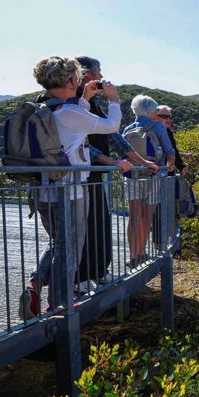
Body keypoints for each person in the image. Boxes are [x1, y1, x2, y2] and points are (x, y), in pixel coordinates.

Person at [20, 57, 122, 320]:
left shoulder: (43, 107)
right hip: (71, 190)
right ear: (70, 80)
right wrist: (113, 100)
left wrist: (85, 98)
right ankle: (59, 304)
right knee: (71, 248)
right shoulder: (69, 112)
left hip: (42, 190)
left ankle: (36, 285)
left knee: (59, 243)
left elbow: (72, 130)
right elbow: (111, 125)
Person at [72, 57, 158, 291]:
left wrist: (142, 162)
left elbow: (114, 137)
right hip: (84, 174)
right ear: (86, 73)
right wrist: (109, 160)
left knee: (99, 223)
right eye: (99, 72)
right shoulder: (74, 104)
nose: (102, 77)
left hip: (95, 175)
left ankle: (97, 272)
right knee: (83, 228)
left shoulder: (91, 103)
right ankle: (78, 278)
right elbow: (82, 143)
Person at [122, 95, 175, 268]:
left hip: (132, 175)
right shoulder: (158, 126)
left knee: (134, 215)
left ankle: (133, 255)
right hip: (154, 174)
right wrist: (169, 166)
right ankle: (142, 252)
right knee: (147, 215)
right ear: (151, 110)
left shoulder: (128, 128)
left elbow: (123, 152)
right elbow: (170, 151)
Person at [152, 105, 187, 251]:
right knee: (158, 211)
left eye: (169, 117)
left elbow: (174, 152)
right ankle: (160, 246)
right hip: (156, 178)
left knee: (169, 210)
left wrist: (181, 165)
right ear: (156, 116)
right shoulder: (153, 132)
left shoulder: (167, 133)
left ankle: (169, 245)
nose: (168, 119)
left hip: (168, 177)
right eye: (164, 116)